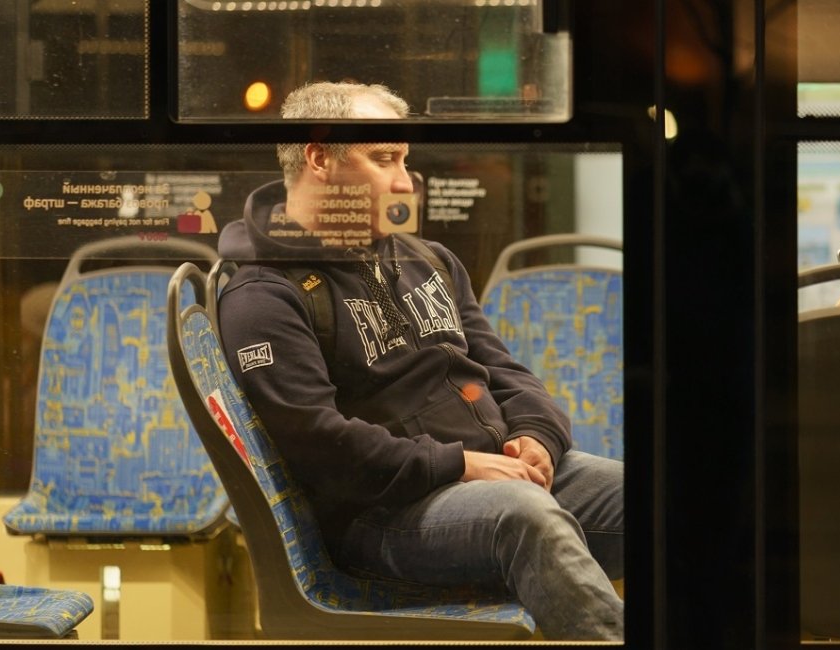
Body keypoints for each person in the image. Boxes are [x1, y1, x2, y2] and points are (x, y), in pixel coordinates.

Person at [214, 81, 624, 641]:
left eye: (404, 159)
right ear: (318, 157)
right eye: (383, 159)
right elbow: (320, 444)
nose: (405, 181)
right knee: (525, 515)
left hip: (496, 475)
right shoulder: (264, 294)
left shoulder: (428, 258)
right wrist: (460, 465)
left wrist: (536, 435)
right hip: (384, 515)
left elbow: (504, 371)